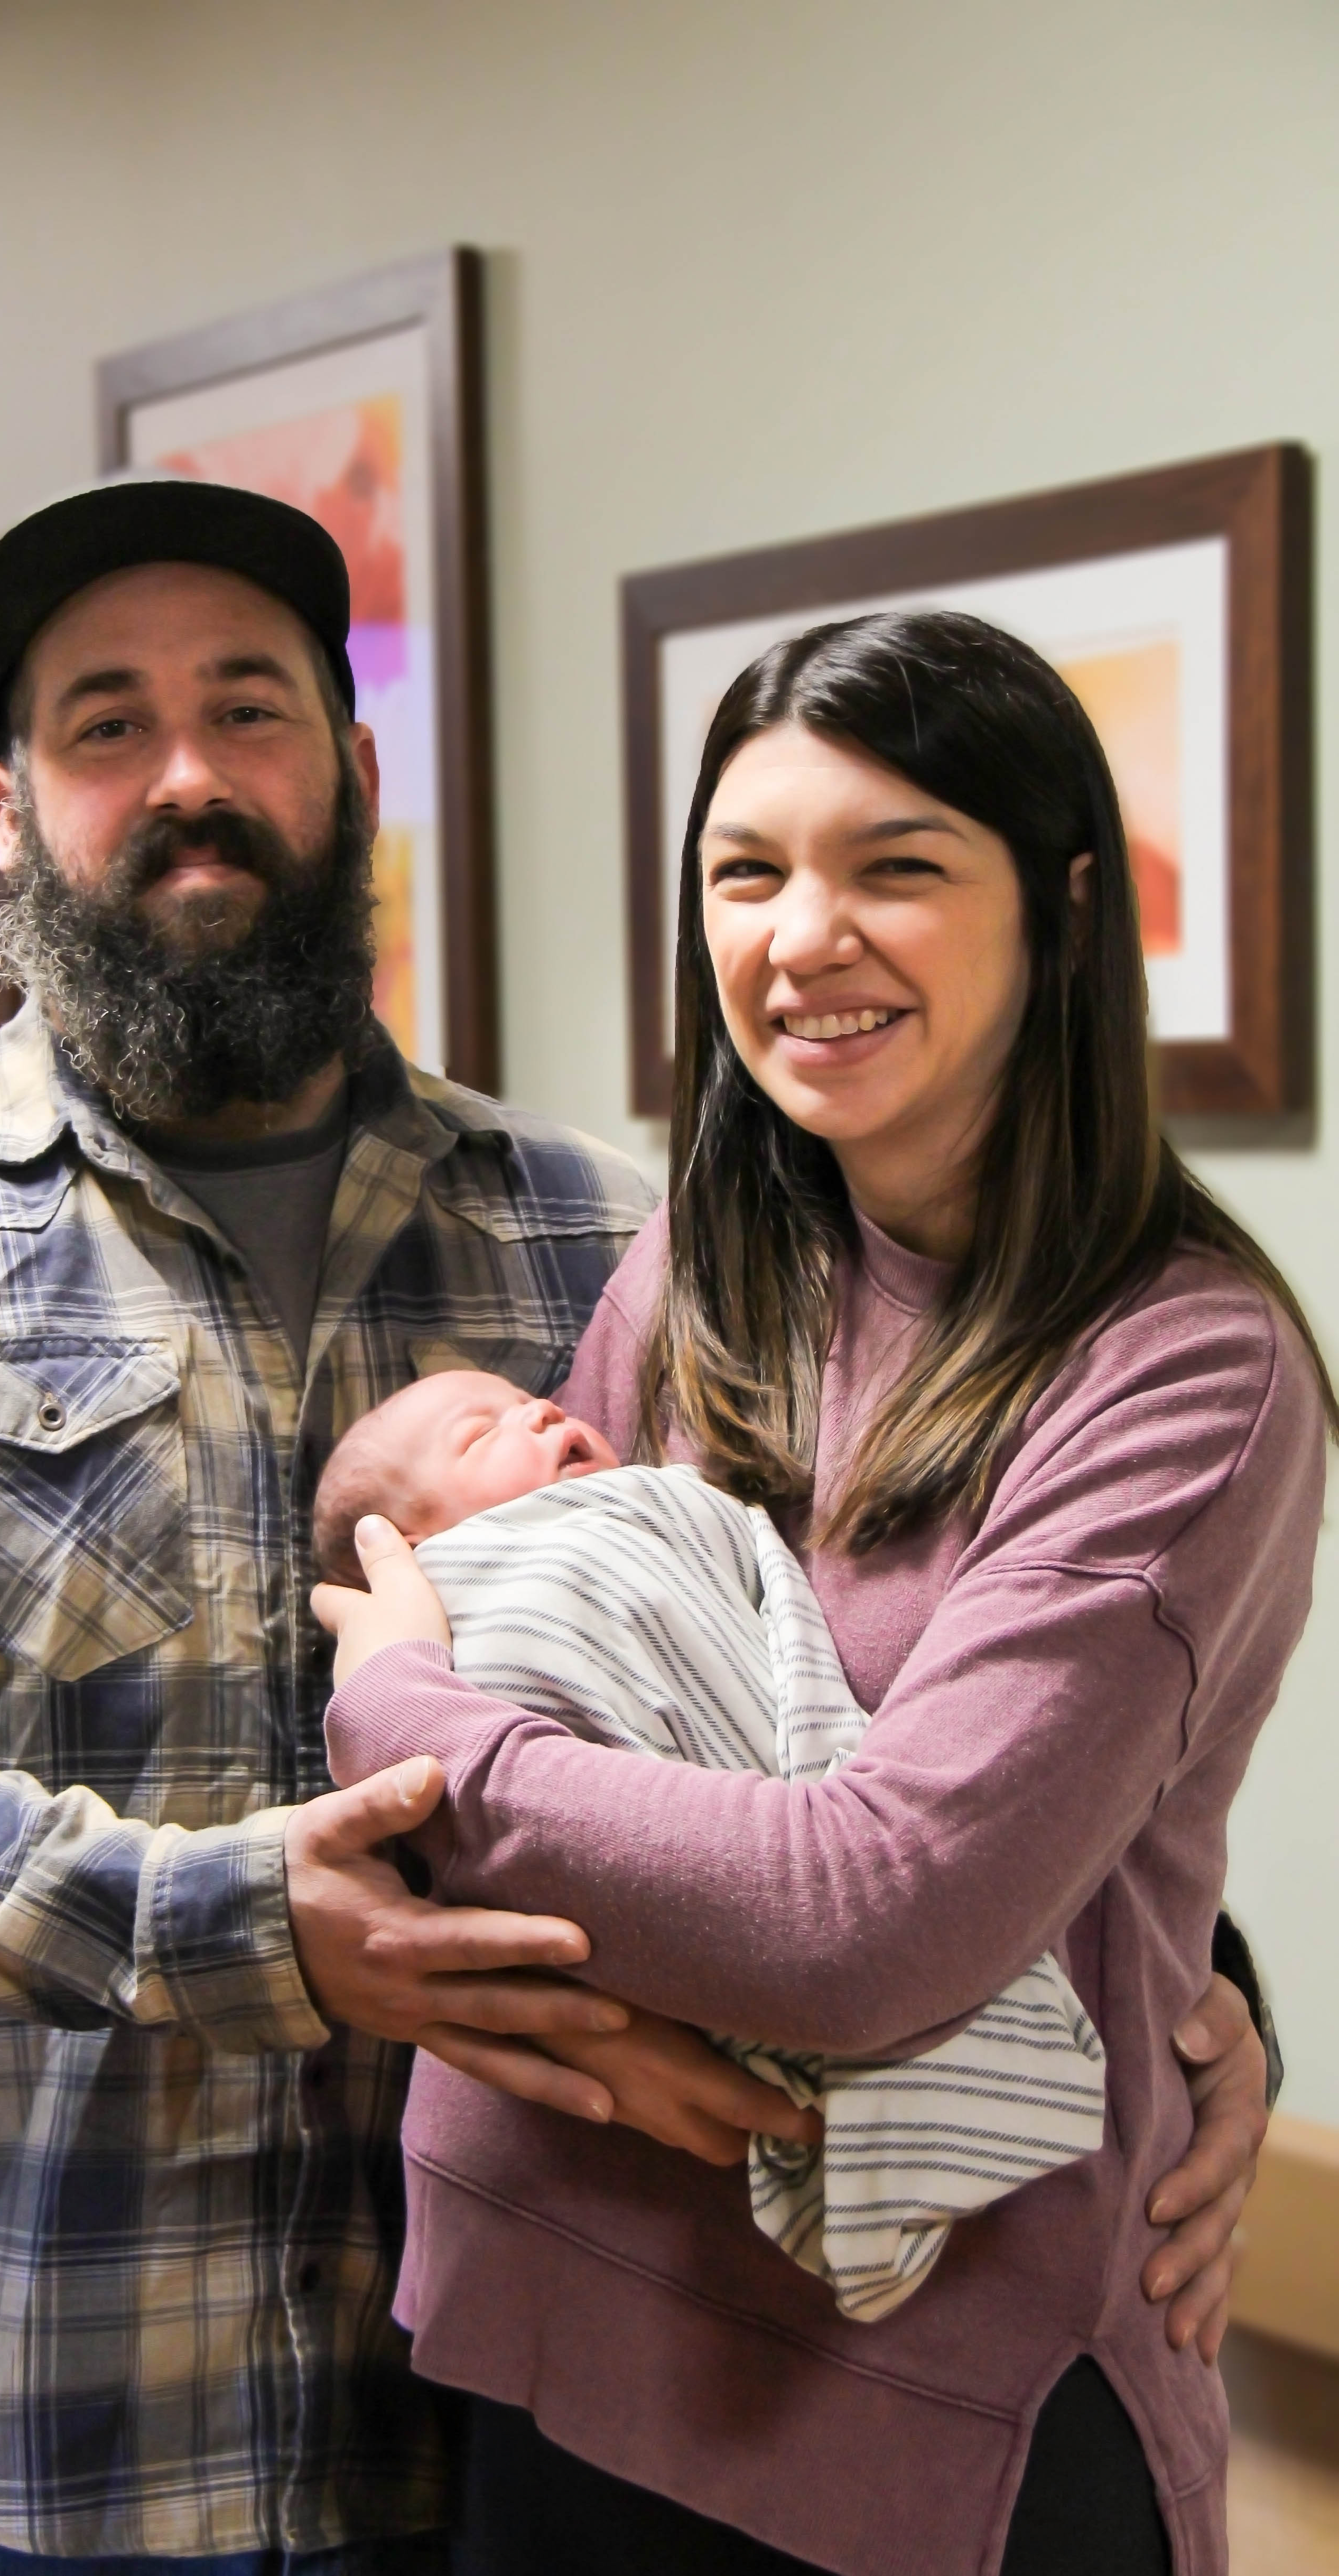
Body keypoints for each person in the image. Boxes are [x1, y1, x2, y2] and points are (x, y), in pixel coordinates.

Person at [0, 476, 669, 2573]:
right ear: (10, 810)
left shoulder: (602, 1238)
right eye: (104, 723)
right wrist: (232, 1928)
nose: (185, 777)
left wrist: (1177, 1998)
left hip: (496, 2460)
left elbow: (840, 1657)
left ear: (352, 770)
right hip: (18, 2465)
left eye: (246, 708)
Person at [312, 609, 1329, 2576]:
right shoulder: (709, 1256)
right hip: (569, 2314)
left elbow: (874, 1914)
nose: (804, 938)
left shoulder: (1183, 1368)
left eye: (899, 867)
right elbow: (565, 1683)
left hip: (916, 2419)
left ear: (1062, 908)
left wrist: (401, 1712)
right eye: (748, 870)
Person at [311, 1369, 1108, 2323]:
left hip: (856, 1929)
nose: (544, 1409)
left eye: (536, 1399)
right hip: (551, 2232)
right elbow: (407, 1809)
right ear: (415, 1546)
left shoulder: (643, 1457)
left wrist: (399, 1707)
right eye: (481, 1434)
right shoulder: (469, 1579)